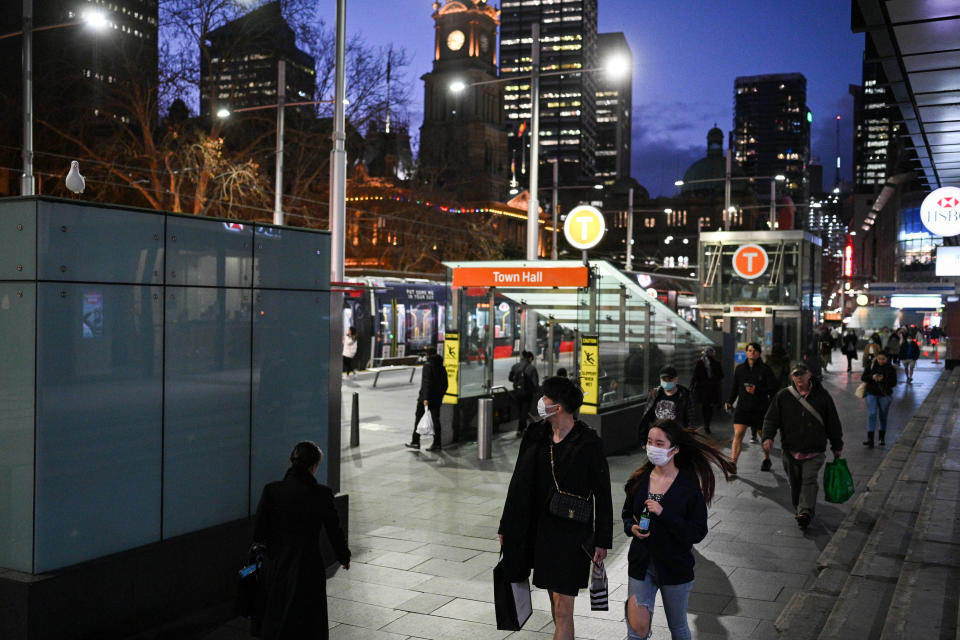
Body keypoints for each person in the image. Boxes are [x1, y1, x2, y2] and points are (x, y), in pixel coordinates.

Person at [498, 376, 613, 640]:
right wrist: (507, 525)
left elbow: (603, 495)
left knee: (563, 609)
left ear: (558, 406)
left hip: (571, 534)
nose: (541, 402)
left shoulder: (588, 443)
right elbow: (518, 483)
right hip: (539, 532)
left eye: (545, 397)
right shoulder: (536, 435)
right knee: (554, 602)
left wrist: (602, 540)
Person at [621, 419, 735, 640]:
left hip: (675, 566)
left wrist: (665, 513)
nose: (653, 448)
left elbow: (697, 532)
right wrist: (631, 527)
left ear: (675, 449)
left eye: (660, 443)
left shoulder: (688, 487)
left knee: (678, 626)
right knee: (636, 629)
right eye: (650, 442)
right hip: (641, 562)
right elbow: (627, 513)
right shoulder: (639, 480)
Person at [252, 441, 350, 640]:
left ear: (291, 461)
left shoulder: (271, 491)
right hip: (308, 564)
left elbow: (259, 533)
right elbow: (334, 530)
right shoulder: (321, 494)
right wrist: (343, 556)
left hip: (277, 563)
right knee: (309, 618)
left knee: (278, 612)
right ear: (314, 467)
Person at [761, 362, 844, 529]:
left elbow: (832, 422)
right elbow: (771, 419)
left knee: (809, 480)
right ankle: (800, 507)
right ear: (792, 377)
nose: (799, 377)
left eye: (802, 374)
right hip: (790, 450)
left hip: (814, 450)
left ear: (809, 374)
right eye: (795, 374)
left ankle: (805, 512)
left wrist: (837, 445)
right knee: (795, 483)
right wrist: (768, 437)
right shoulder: (783, 396)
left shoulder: (822, 396)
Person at [724, 343, 777, 474]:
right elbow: (735, 387)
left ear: (759, 353)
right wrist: (730, 401)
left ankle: (766, 458)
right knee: (738, 434)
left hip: (760, 408)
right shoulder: (740, 369)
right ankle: (733, 462)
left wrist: (757, 390)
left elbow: (774, 389)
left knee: (763, 436)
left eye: (755, 351)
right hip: (743, 408)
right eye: (749, 350)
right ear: (746, 353)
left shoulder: (765, 370)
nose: (752, 353)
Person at [405, 347, 448, 451]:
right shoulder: (441, 367)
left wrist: (425, 398)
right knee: (435, 420)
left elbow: (426, 382)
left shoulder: (428, 366)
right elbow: (445, 384)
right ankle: (437, 443)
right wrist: (440, 395)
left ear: (427, 355)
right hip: (437, 399)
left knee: (418, 418)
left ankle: (415, 442)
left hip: (426, 399)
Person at [638, 365, 694, 442]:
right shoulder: (655, 394)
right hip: (657, 436)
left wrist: (689, 439)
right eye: (664, 380)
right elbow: (647, 417)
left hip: (676, 437)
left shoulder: (684, 395)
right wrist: (644, 438)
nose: (667, 382)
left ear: (676, 379)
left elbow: (689, 418)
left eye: (669, 380)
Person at [861, 350, 897, 447]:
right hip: (871, 393)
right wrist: (872, 377)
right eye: (879, 359)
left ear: (887, 359)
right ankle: (870, 439)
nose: (881, 361)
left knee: (883, 416)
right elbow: (863, 377)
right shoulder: (871, 365)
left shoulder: (891, 368)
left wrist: (883, 379)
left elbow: (894, 382)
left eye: (883, 359)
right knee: (872, 414)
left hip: (884, 395)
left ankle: (881, 438)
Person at [690, 348, 723, 435]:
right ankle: (706, 425)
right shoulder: (715, 363)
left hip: (704, 389)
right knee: (708, 408)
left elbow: (695, 376)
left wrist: (692, 386)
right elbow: (720, 376)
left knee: (705, 407)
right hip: (710, 389)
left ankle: (705, 424)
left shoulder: (700, 362)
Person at [509, 350, 540, 437]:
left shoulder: (515, 366)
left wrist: (517, 382)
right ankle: (521, 430)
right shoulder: (532, 368)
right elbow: (535, 383)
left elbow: (510, 378)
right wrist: (536, 391)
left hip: (517, 392)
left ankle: (523, 429)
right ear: (530, 358)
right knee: (525, 412)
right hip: (527, 393)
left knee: (520, 411)